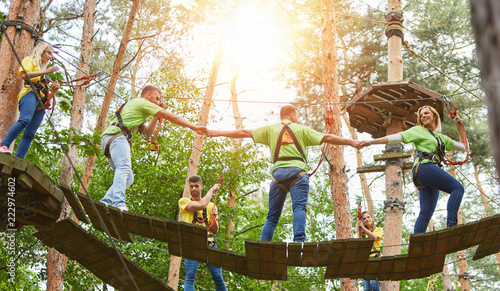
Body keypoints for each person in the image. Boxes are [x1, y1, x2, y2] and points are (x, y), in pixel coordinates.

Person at [208, 105, 361, 242]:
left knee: (272, 216)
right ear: (293, 116)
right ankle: (299, 241)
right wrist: (352, 142)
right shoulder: (301, 129)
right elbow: (327, 137)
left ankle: (263, 245)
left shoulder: (271, 129)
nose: (298, 119)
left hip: (278, 175)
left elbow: (244, 132)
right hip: (298, 173)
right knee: (299, 208)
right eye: (298, 116)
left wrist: (217, 132)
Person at [360, 105, 466, 233]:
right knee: (458, 188)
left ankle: (417, 245)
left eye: (426, 113)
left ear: (434, 116)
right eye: (421, 115)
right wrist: (371, 142)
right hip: (424, 168)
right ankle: (452, 226)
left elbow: (463, 147)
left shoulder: (441, 138)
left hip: (426, 174)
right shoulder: (418, 130)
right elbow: (397, 137)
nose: (423, 116)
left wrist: (459, 127)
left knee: (426, 213)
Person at [100, 85, 206, 211]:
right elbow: (173, 117)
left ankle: (105, 202)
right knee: (124, 167)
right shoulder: (143, 102)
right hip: (117, 137)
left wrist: (155, 116)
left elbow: (148, 133)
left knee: (128, 178)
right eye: (157, 98)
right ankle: (118, 202)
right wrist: (194, 127)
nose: (158, 102)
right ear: (148, 94)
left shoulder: (136, 107)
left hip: (109, 138)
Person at [0, 42, 60, 158]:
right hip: (29, 94)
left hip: (41, 102)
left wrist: (54, 91)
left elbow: (46, 95)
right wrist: (46, 72)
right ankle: (4, 145)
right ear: (41, 51)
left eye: (51, 54)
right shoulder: (30, 61)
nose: (50, 56)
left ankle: (19, 158)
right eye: (48, 52)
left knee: (30, 133)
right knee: (25, 119)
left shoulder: (43, 72)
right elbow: (24, 75)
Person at [179, 175, 227, 291]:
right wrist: (212, 189)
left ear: (201, 187)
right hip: (191, 244)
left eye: (196, 186)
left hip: (209, 243)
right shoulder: (183, 202)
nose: (194, 189)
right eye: (191, 186)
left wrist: (213, 218)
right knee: (190, 276)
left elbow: (215, 230)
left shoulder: (211, 206)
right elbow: (201, 205)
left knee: (218, 277)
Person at [357, 211, 383, 291]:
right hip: (364, 261)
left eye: (368, 217)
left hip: (375, 258)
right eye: (364, 218)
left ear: (372, 218)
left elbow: (374, 238)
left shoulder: (378, 230)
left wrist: (364, 228)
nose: (366, 219)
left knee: (373, 284)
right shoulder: (361, 235)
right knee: (366, 288)